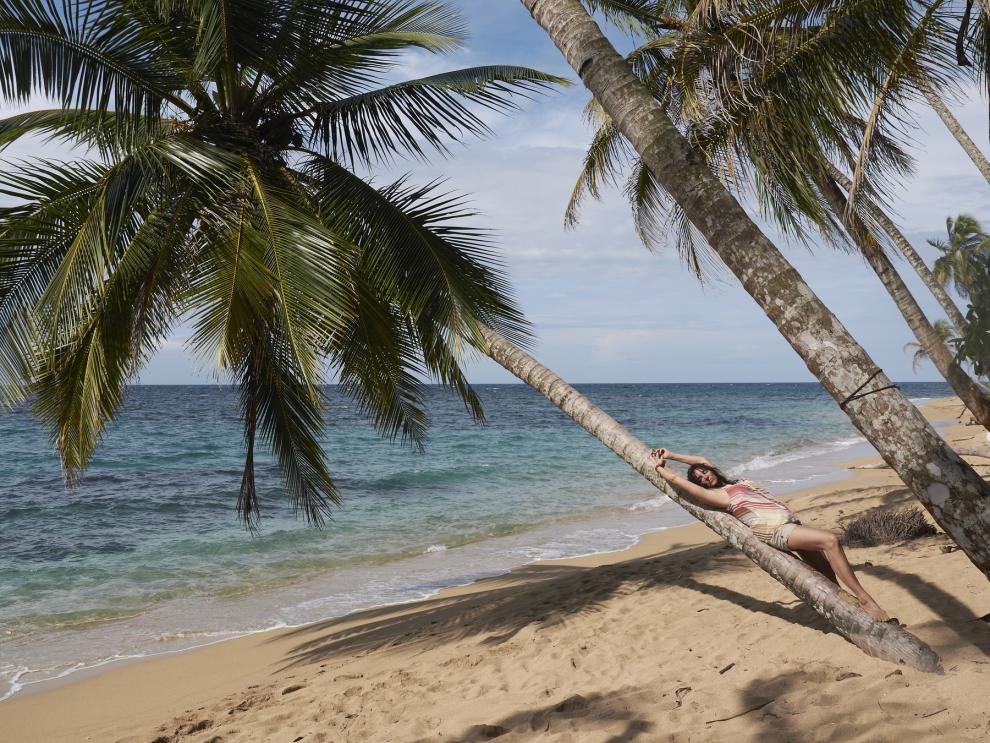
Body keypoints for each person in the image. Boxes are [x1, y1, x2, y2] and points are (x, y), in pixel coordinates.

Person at [649, 447, 891, 622]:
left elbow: (700, 459)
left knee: (824, 569)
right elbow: (677, 480)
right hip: (775, 531)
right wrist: (660, 468)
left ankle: (840, 596)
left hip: (789, 523)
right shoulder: (717, 496)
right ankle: (865, 600)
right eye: (701, 479)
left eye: (705, 473)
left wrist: (671, 455)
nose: (705, 476)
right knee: (830, 540)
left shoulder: (731, 484)